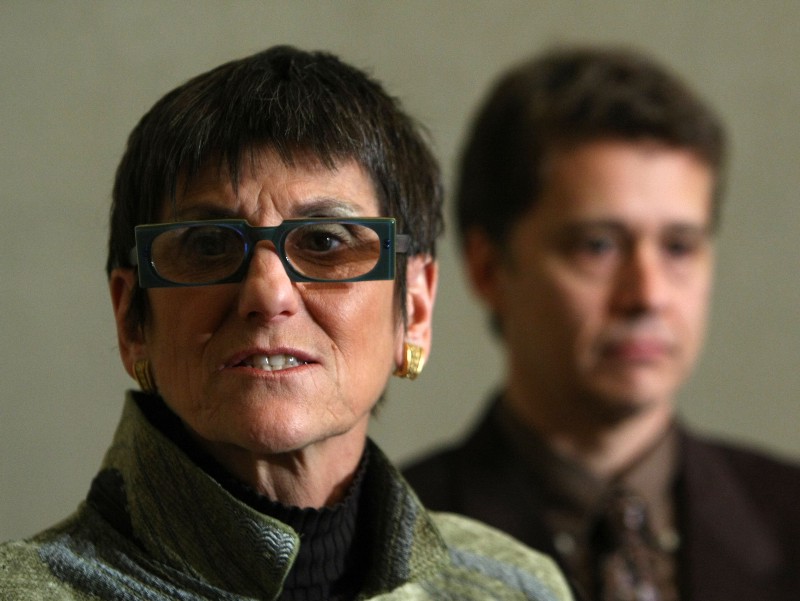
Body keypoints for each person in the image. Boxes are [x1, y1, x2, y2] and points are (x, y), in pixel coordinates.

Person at [0, 46, 573, 601]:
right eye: (208, 245)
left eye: (326, 242)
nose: (267, 294)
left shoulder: (514, 588)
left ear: (416, 308)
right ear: (132, 319)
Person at [403, 45, 800, 601]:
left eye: (679, 247)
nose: (648, 295)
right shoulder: (383, 547)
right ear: (488, 268)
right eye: (597, 246)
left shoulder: (788, 513)